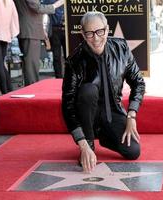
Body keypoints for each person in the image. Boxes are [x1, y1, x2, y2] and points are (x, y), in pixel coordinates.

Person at [62, 11, 146, 173]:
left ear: (107, 30)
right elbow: (68, 105)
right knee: (88, 90)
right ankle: (90, 140)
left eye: (100, 31)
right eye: (90, 33)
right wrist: (83, 144)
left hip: (113, 112)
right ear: (83, 34)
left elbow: (138, 82)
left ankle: (105, 135)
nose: (96, 38)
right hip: (87, 116)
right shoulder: (75, 61)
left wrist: (131, 114)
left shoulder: (121, 48)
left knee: (133, 151)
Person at [13, 0, 64, 86]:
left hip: (30, 29)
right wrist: (55, 5)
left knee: (30, 65)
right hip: (30, 30)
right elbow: (37, 8)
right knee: (32, 66)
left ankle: (31, 88)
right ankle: (32, 90)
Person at [42, 0, 66, 78]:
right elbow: (44, 12)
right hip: (54, 29)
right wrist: (44, 29)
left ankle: (70, 77)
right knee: (56, 56)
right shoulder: (48, 0)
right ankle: (58, 78)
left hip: (68, 30)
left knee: (69, 56)